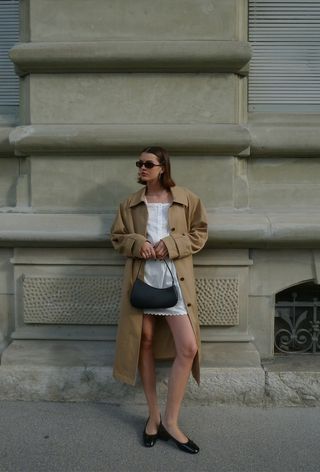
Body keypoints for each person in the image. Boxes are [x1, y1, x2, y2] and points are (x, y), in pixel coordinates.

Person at [110, 146, 208, 454]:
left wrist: (171, 243)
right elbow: (117, 237)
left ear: (163, 167)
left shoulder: (186, 198)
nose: (141, 168)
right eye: (138, 163)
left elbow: (199, 233)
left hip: (174, 281)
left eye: (148, 163)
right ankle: (153, 417)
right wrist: (138, 243)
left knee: (189, 347)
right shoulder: (129, 204)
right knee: (145, 342)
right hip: (142, 280)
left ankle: (171, 421)